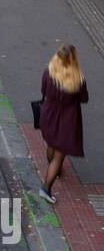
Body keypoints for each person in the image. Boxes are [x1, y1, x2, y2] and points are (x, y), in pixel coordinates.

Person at [38, 44, 88, 204]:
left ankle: (52, 169)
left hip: (48, 115)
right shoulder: (77, 80)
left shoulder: (49, 72)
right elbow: (84, 99)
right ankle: (46, 188)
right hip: (67, 121)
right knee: (59, 156)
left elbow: (43, 90)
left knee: (51, 144)